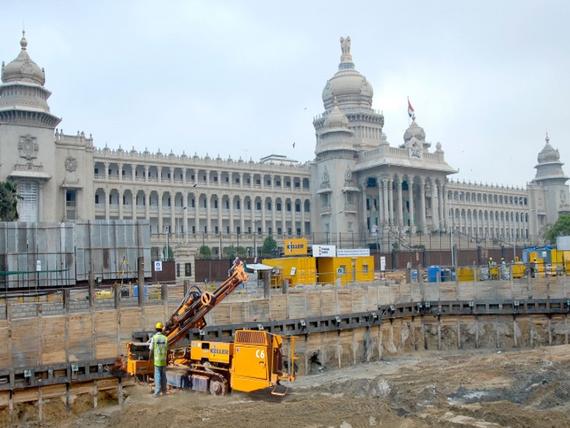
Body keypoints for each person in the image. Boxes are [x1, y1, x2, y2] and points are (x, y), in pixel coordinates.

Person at [149, 321, 168, 397]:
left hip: (157, 361)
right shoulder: (165, 338)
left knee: (157, 376)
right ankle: (164, 392)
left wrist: (149, 358)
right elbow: (167, 349)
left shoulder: (154, 338)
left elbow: (151, 349)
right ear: (161, 329)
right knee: (163, 376)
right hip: (163, 360)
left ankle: (157, 393)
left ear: (156, 329)